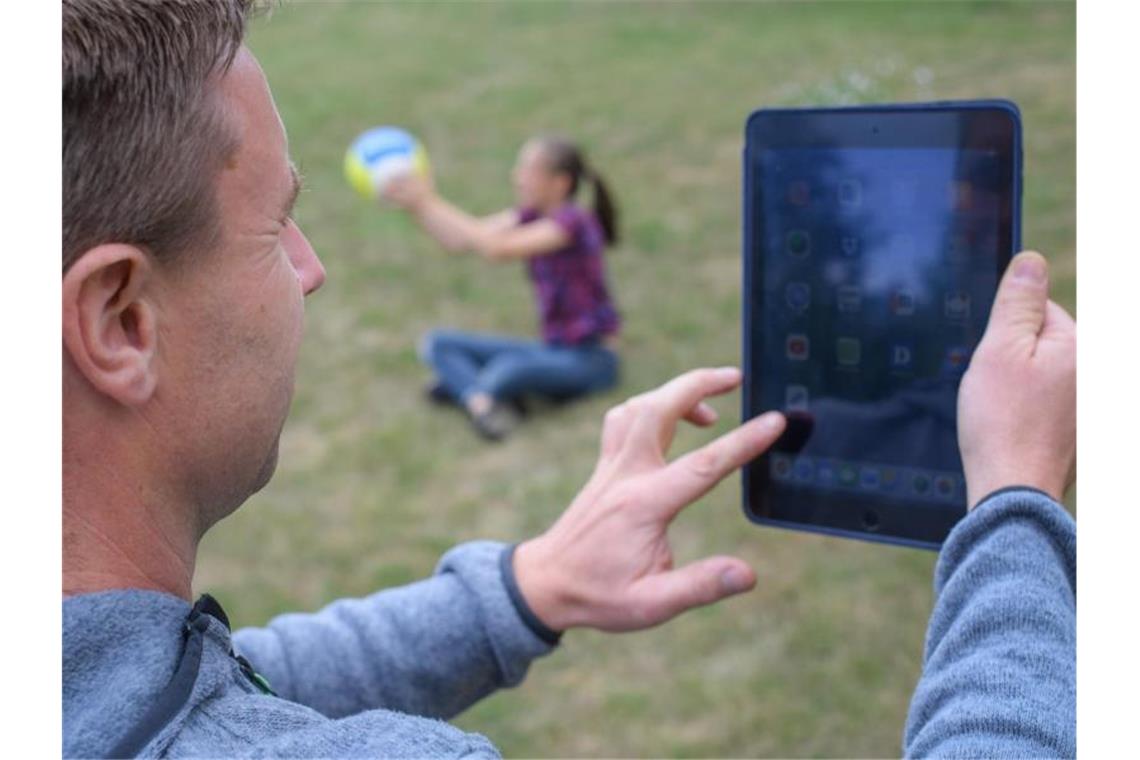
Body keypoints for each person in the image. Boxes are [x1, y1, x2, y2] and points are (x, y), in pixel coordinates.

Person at [61, 2, 1075, 757]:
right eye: (279, 223)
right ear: (121, 321)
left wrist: (523, 587)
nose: (313, 268)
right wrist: (1017, 504)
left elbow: (230, 674)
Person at [383, 135, 622, 440]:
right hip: (553, 349)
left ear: (559, 183)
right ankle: (485, 394)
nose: (517, 178)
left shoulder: (574, 222)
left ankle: (475, 398)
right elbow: (460, 241)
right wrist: (417, 206)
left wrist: (429, 200)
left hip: (592, 359)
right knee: (438, 343)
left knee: (510, 368)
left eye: (528, 171)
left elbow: (498, 249)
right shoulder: (530, 216)